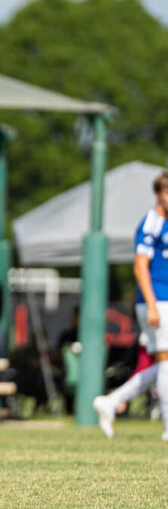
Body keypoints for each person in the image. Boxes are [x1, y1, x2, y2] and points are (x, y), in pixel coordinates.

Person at [93, 170, 168, 440]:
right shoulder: (151, 223)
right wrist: (151, 304)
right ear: (158, 194)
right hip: (157, 300)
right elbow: (140, 266)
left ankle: (111, 401)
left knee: (164, 365)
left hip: (163, 300)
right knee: (165, 362)